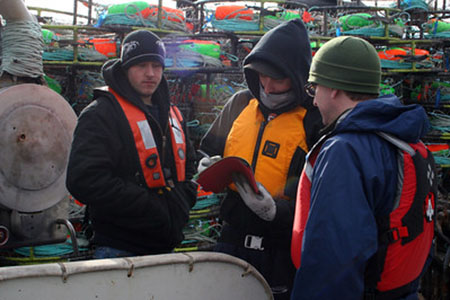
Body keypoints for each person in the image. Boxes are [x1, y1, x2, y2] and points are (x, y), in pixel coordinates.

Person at [290, 36, 436, 299]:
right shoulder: (409, 140)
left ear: (333, 88)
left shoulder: (344, 151)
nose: (313, 101)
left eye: (315, 88)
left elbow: (333, 258)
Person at [198, 19, 322, 299]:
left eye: (277, 78)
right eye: (261, 75)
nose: (267, 85)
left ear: (298, 75)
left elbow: (322, 202)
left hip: (279, 255)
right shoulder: (240, 104)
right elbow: (207, 148)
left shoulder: (314, 121)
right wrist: (206, 165)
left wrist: (275, 212)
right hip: (230, 243)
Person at [66, 30, 197, 259]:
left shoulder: (173, 114)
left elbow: (189, 167)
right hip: (118, 248)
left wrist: (180, 202)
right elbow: (83, 180)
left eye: (156, 66)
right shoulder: (101, 114)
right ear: (126, 68)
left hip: (166, 246)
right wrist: (149, 206)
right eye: (141, 66)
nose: (150, 74)